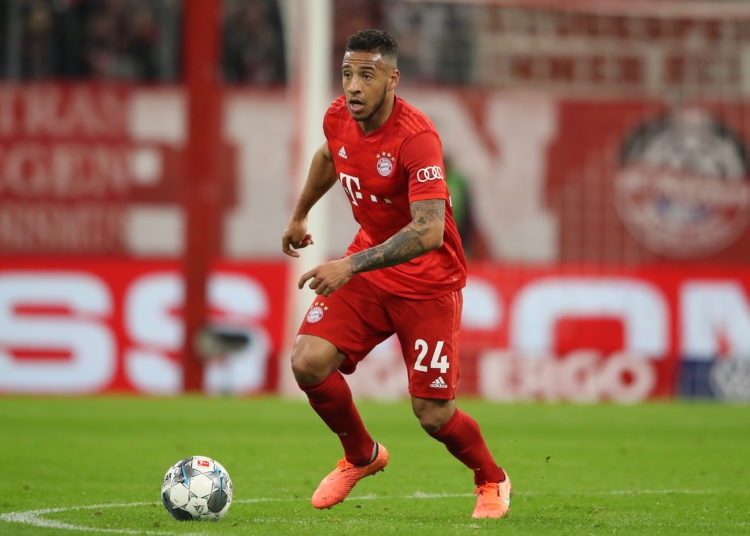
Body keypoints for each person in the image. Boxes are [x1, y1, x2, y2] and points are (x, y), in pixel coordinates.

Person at [281, 29, 511, 519]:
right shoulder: (338, 117)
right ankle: (361, 456)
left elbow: (428, 231)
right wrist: (300, 214)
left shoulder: (417, 137)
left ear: (392, 79)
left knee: (432, 414)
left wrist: (350, 265)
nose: (354, 86)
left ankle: (491, 479)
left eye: (367, 75)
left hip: (428, 283)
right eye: (347, 74)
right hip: (370, 271)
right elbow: (328, 156)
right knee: (307, 362)